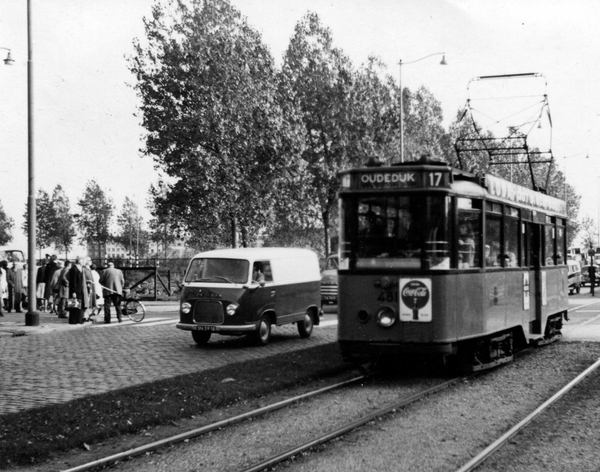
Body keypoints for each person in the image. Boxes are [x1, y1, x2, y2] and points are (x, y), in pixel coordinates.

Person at [67, 256, 88, 324]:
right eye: (83, 261)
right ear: (79, 261)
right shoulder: (74, 269)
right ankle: (73, 320)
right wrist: (73, 291)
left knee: (78, 305)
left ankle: (78, 319)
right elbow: (73, 281)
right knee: (74, 305)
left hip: (79, 289)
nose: (84, 262)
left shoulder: (79, 268)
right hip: (76, 290)